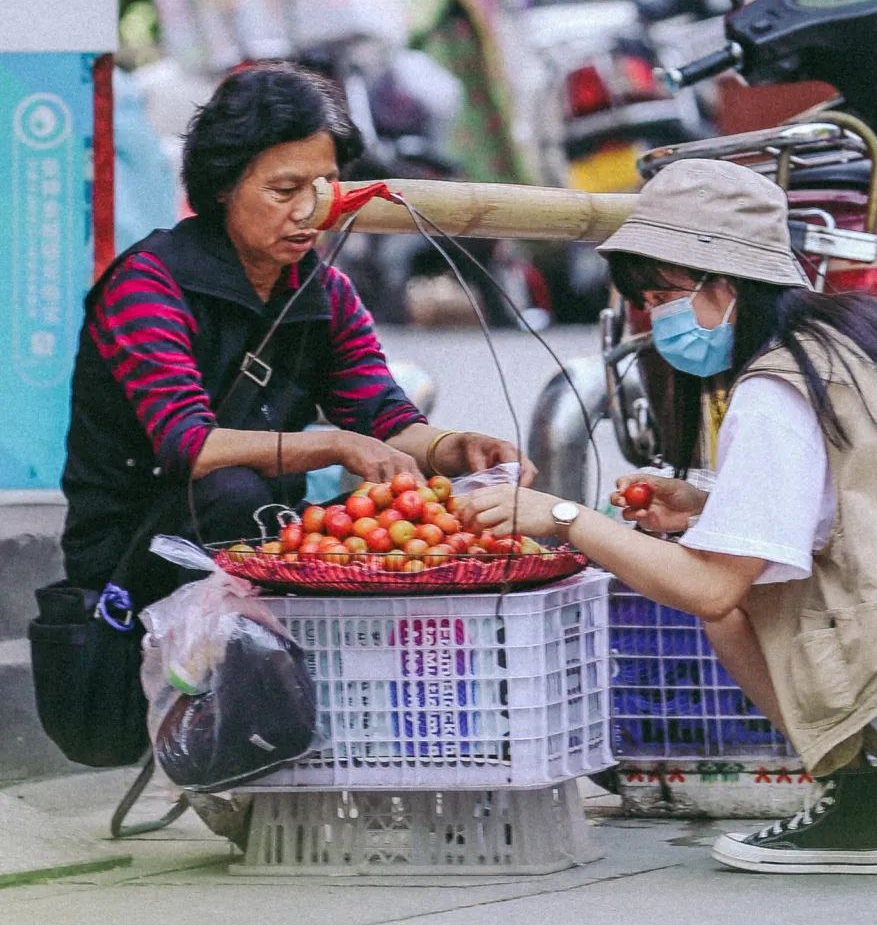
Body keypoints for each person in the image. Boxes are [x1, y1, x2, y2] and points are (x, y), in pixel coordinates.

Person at [460, 158, 877, 877]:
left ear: (727, 285)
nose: (655, 316)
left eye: (665, 293)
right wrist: (705, 505)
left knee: (739, 594)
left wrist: (559, 513)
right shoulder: (872, 338)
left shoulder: (779, 383)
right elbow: (866, 503)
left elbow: (712, 589)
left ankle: (852, 809)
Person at [60, 61, 530, 610]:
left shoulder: (326, 294)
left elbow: (385, 420)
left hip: (263, 533)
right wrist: (334, 444)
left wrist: (455, 448)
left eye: (324, 186)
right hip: (136, 553)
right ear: (221, 187)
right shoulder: (147, 284)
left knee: (407, 507)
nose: (309, 210)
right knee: (229, 490)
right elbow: (192, 447)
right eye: (283, 190)